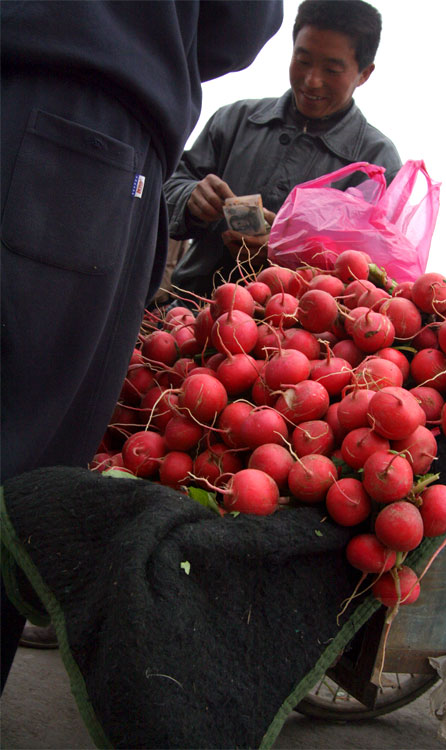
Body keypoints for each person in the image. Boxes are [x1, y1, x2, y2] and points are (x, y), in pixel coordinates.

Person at [1, 0, 283, 687]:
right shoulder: (237, 119)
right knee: (22, 458)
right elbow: (240, 23)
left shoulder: (370, 154)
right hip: (83, 135)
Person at [164, 0, 402, 303]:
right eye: (303, 61)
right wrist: (190, 198)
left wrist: (285, 252)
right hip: (189, 311)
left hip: (296, 340)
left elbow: (374, 275)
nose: (312, 80)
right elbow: (166, 185)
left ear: (364, 74)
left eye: (331, 69)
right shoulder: (235, 120)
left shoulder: (377, 165)